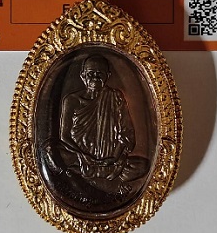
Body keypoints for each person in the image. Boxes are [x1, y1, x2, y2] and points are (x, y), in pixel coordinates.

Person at [44, 55, 148, 196]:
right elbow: (65, 136)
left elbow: (126, 132)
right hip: (80, 157)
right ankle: (109, 184)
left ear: (107, 76)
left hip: (111, 161)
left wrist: (114, 157)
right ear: (82, 76)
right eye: (90, 74)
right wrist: (83, 156)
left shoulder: (115, 97)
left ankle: (82, 178)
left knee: (142, 166)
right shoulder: (72, 100)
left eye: (100, 74)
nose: (95, 78)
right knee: (49, 151)